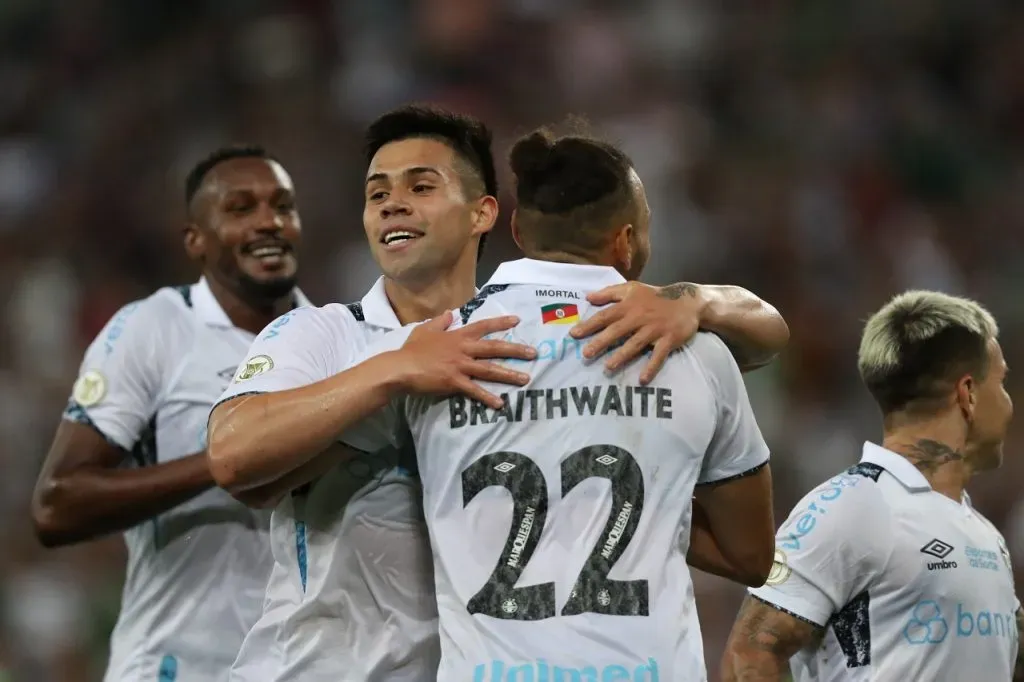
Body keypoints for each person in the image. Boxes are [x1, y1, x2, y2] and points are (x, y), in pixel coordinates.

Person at [210, 122, 778, 681]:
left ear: (486, 214)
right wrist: (396, 369)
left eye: (420, 187)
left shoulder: (515, 344)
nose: (393, 205)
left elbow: (765, 334)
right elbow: (238, 463)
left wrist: (697, 300)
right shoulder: (326, 335)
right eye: (377, 193)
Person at [30, 146, 308, 681]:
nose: (268, 222)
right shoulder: (155, 329)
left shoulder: (335, 339)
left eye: (283, 205)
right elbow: (55, 505)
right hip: (175, 666)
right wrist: (222, 462)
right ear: (195, 240)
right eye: (240, 208)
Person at [721, 290, 1023, 682]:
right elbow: (749, 655)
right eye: (1002, 382)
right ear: (968, 393)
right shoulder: (852, 507)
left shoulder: (983, 534)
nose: (1010, 403)